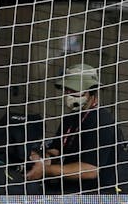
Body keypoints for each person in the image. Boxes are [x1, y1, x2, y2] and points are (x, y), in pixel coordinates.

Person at [23, 63, 121, 193]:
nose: (69, 94)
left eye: (74, 90)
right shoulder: (70, 118)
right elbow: (57, 150)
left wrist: (45, 171)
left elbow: (90, 170)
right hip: (66, 191)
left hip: (94, 198)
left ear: (91, 91)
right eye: (67, 90)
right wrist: (42, 158)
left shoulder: (102, 121)